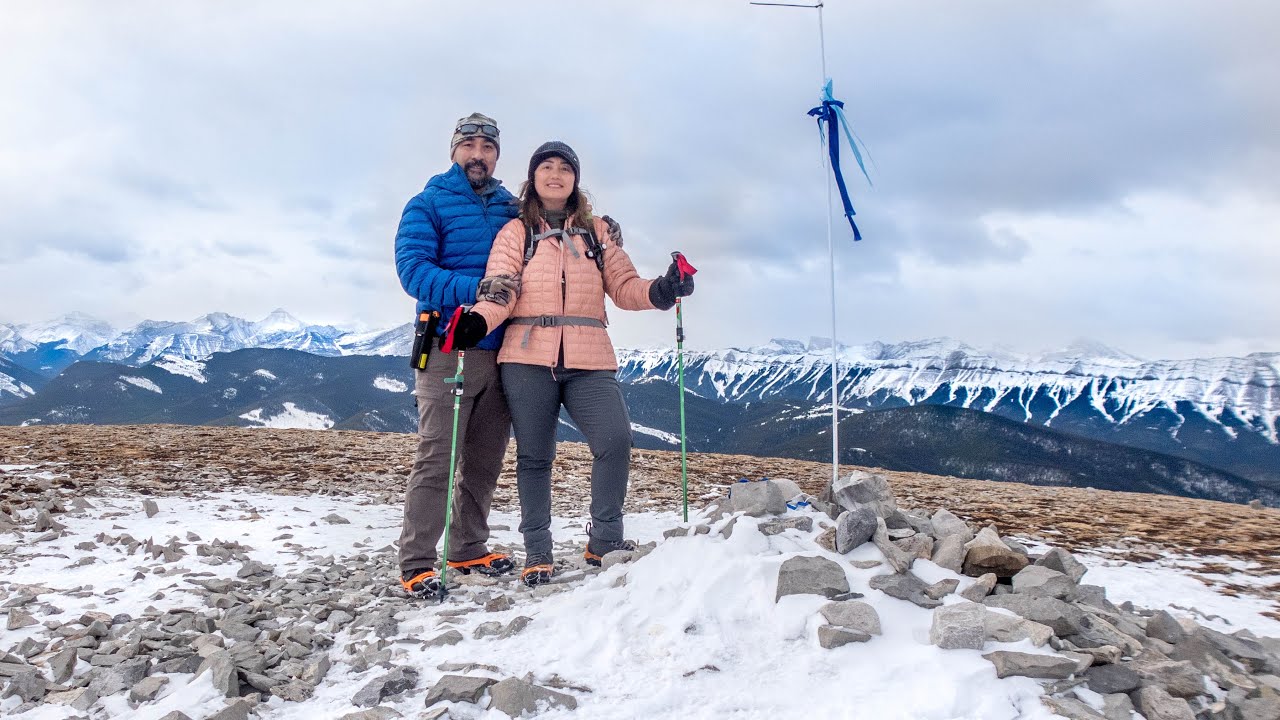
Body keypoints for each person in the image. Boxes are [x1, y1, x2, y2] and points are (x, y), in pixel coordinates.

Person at [448, 140, 695, 586]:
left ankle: (604, 541)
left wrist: (661, 290)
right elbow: (500, 290)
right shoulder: (515, 232)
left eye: (565, 167)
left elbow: (624, 287)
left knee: (615, 439)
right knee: (535, 456)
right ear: (533, 177)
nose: (556, 174)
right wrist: (476, 322)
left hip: (590, 356)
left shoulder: (598, 233)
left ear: (575, 179)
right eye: (547, 166)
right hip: (526, 356)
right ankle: (537, 553)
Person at [392, 112, 523, 598]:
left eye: (488, 147)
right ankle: (417, 562)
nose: (478, 154)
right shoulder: (427, 203)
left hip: (502, 349)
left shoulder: (513, 207)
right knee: (437, 457)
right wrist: (476, 287)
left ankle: (468, 547)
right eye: (469, 145)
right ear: (453, 151)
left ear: (496, 156)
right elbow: (414, 273)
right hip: (446, 345)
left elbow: (554, 227)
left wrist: (595, 223)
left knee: (484, 459)